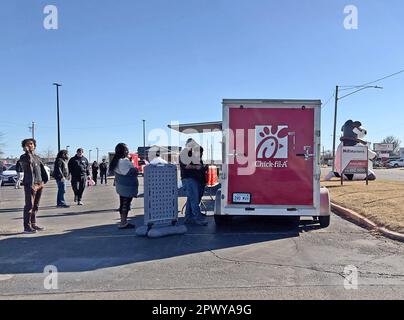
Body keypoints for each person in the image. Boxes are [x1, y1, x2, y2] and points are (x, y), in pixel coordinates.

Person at [19, 138, 48, 233]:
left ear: (34, 145)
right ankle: (26, 227)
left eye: (31, 144)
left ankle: (33, 224)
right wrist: (27, 153)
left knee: (36, 206)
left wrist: (43, 182)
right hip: (29, 184)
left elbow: (42, 170)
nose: (30, 145)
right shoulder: (24, 157)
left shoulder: (38, 157)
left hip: (39, 184)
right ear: (24, 147)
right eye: (27, 144)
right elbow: (27, 164)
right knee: (29, 205)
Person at [109, 143, 139, 229]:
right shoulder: (123, 161)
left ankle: (124, 221)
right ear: (122, 151)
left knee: (124, 203)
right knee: (125, 204)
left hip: (122, 186)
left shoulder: (117, 161)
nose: (128, 151)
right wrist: (135, 168)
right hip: (126, 187)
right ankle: (123, 222)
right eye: (126, 149)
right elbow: (129, 172)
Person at [179, 138, 208, 226]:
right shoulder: (184, 153)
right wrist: (197, 167)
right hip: (189, 179)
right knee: (194, 200)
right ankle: (198, 219)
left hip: (195, 180)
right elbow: (186, 166)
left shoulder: (193, 154)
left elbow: (198, 165)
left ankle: (188, 217)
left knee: (191, 199)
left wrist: (202, 168)